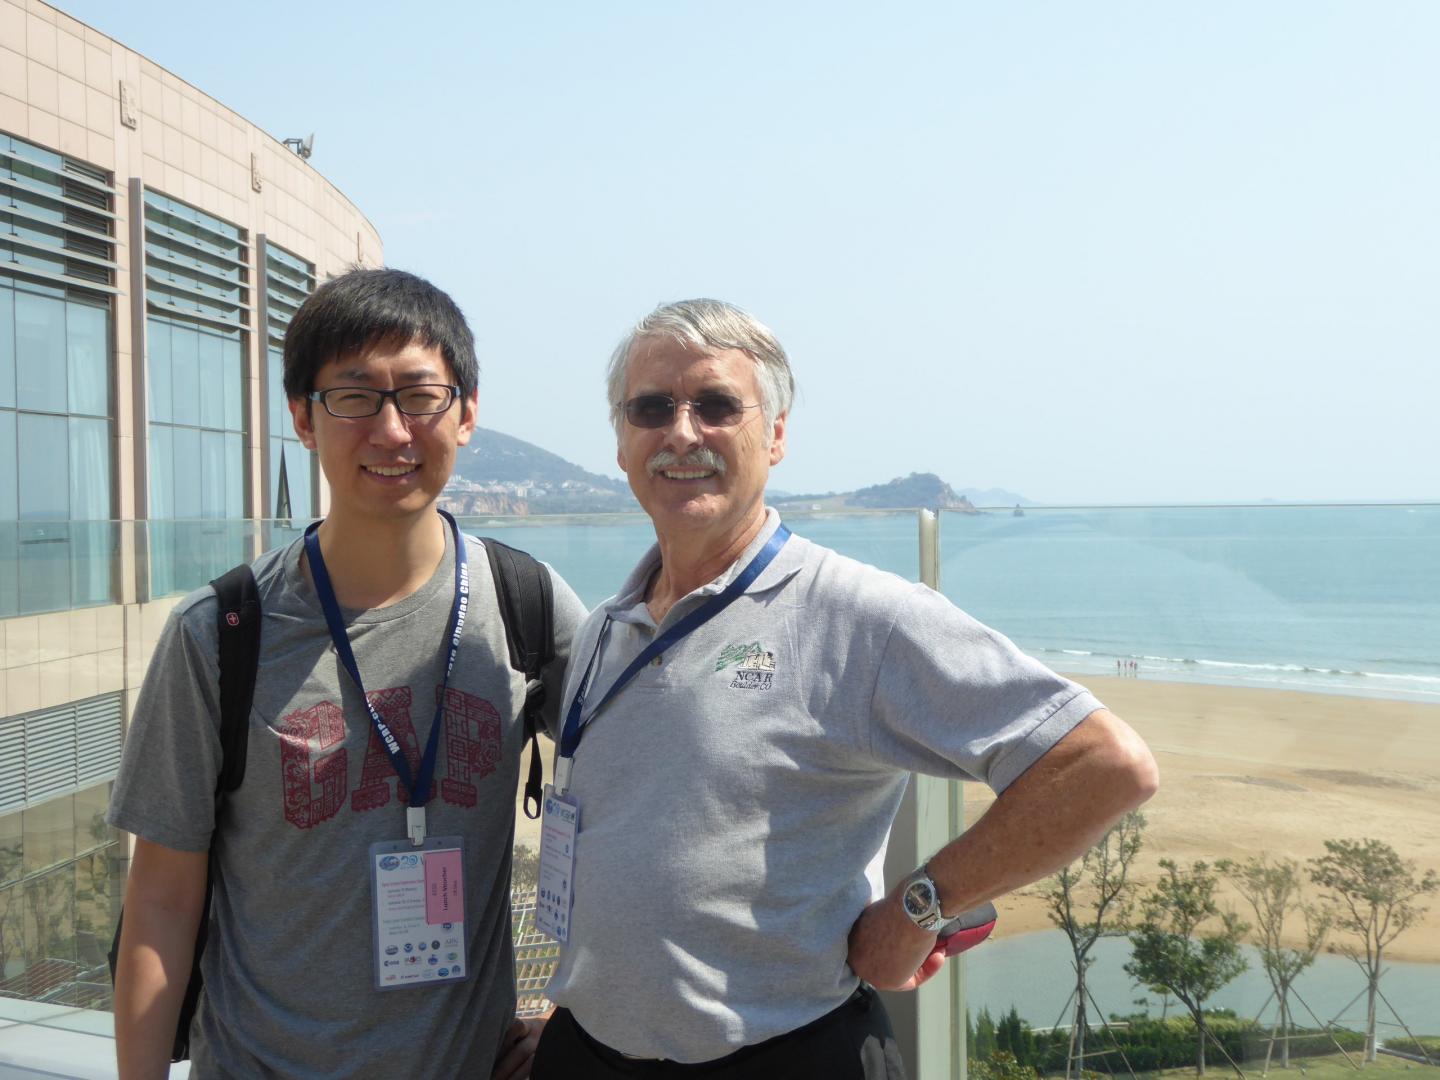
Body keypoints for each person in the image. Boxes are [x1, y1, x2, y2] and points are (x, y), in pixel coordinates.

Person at [530, 298, 1159, 1078]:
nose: (682, 432)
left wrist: (922, 907)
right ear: (622, 443)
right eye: (651, 408)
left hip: (783, 1056)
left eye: (718, 405)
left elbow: (1104, 765)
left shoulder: (857, 614)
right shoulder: (606, 627)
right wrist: (579, 1007)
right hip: (587, 1053)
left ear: (778, 434)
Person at [108, 269, 585, 1079]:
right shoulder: (222, 635)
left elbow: (651, 804)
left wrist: (577, 1017)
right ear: (302, 417)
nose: (393, 431)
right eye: (354, 397)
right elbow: (161, 901)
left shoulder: (526, 605)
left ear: (466, 412)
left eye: (421, 396)